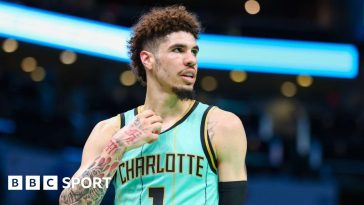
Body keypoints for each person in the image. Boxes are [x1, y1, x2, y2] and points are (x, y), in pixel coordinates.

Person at [59, 5, 247, 205]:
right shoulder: (110, 131)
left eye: (194, 51)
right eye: (178, 50)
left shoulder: (221, 126)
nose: (191, 60)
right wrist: (117, 147)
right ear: (147, 59)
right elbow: (70, 203)